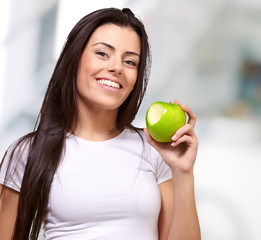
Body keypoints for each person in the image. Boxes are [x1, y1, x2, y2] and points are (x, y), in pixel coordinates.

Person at [0, 7, 200, 240]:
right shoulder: (28, 152)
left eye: (130, 61)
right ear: (74, 59)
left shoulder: (154, 150)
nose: (116, 67)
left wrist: (183, 172)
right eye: (103, 54)